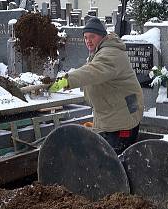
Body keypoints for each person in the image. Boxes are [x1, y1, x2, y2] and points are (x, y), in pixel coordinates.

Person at [49, 16, 143, 154]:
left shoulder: (111, 53)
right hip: (112, 115)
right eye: (85, 37)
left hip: (121, 120)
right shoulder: (100, 52)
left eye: (92, 36)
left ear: (102, 36)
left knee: (113, 162)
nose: (88, 41)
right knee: (109, 161)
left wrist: (67, 80)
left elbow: (92, 72)